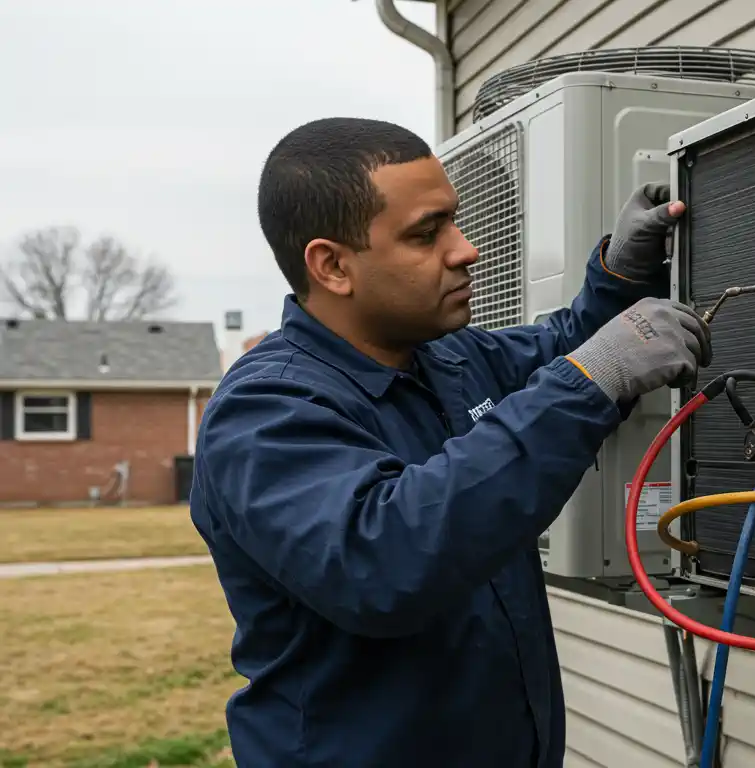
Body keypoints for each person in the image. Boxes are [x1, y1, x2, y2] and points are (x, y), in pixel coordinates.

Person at [188, 116, 711, 767]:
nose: (466, 250)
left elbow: (565, 349)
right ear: (332, 265)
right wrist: (589, 382)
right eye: (426, 234)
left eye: (454, 223)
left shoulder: (449, 359)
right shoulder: (266, 412)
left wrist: (619, 279)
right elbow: (385, 561)